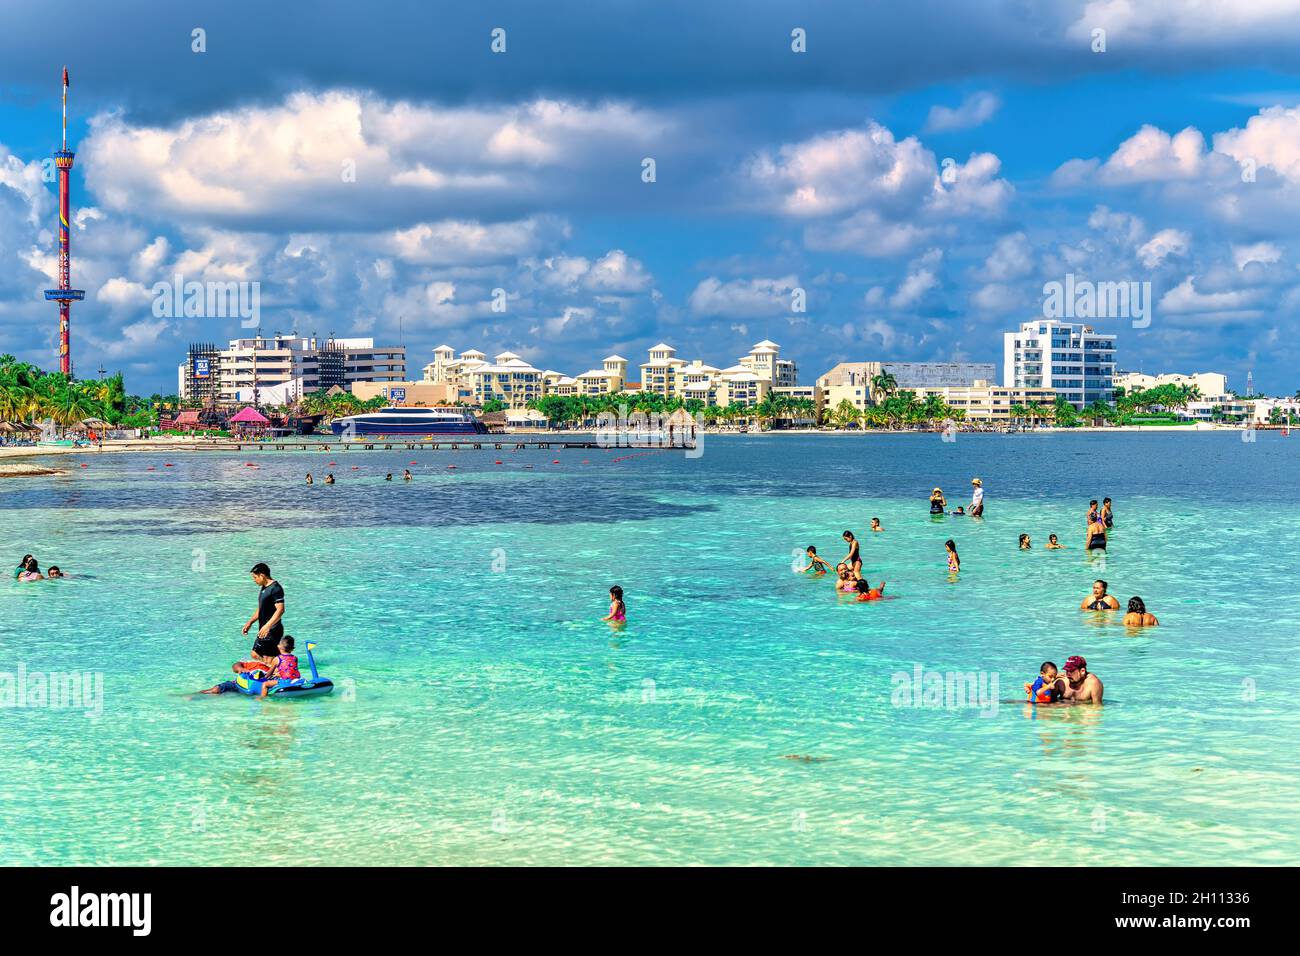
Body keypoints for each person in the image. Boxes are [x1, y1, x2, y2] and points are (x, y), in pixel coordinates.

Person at [242, 563, 286, 663]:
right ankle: (281, 664)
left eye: (255, 577)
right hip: (263, 629)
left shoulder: (276, 589)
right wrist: (250, 622)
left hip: (272, 630)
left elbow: (281, 610)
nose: (254, 580)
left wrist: (268, 626)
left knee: (268, 659)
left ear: (262, 575)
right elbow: (261, 608)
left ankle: (279, 669)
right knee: (255, 654)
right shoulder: (264, 587)